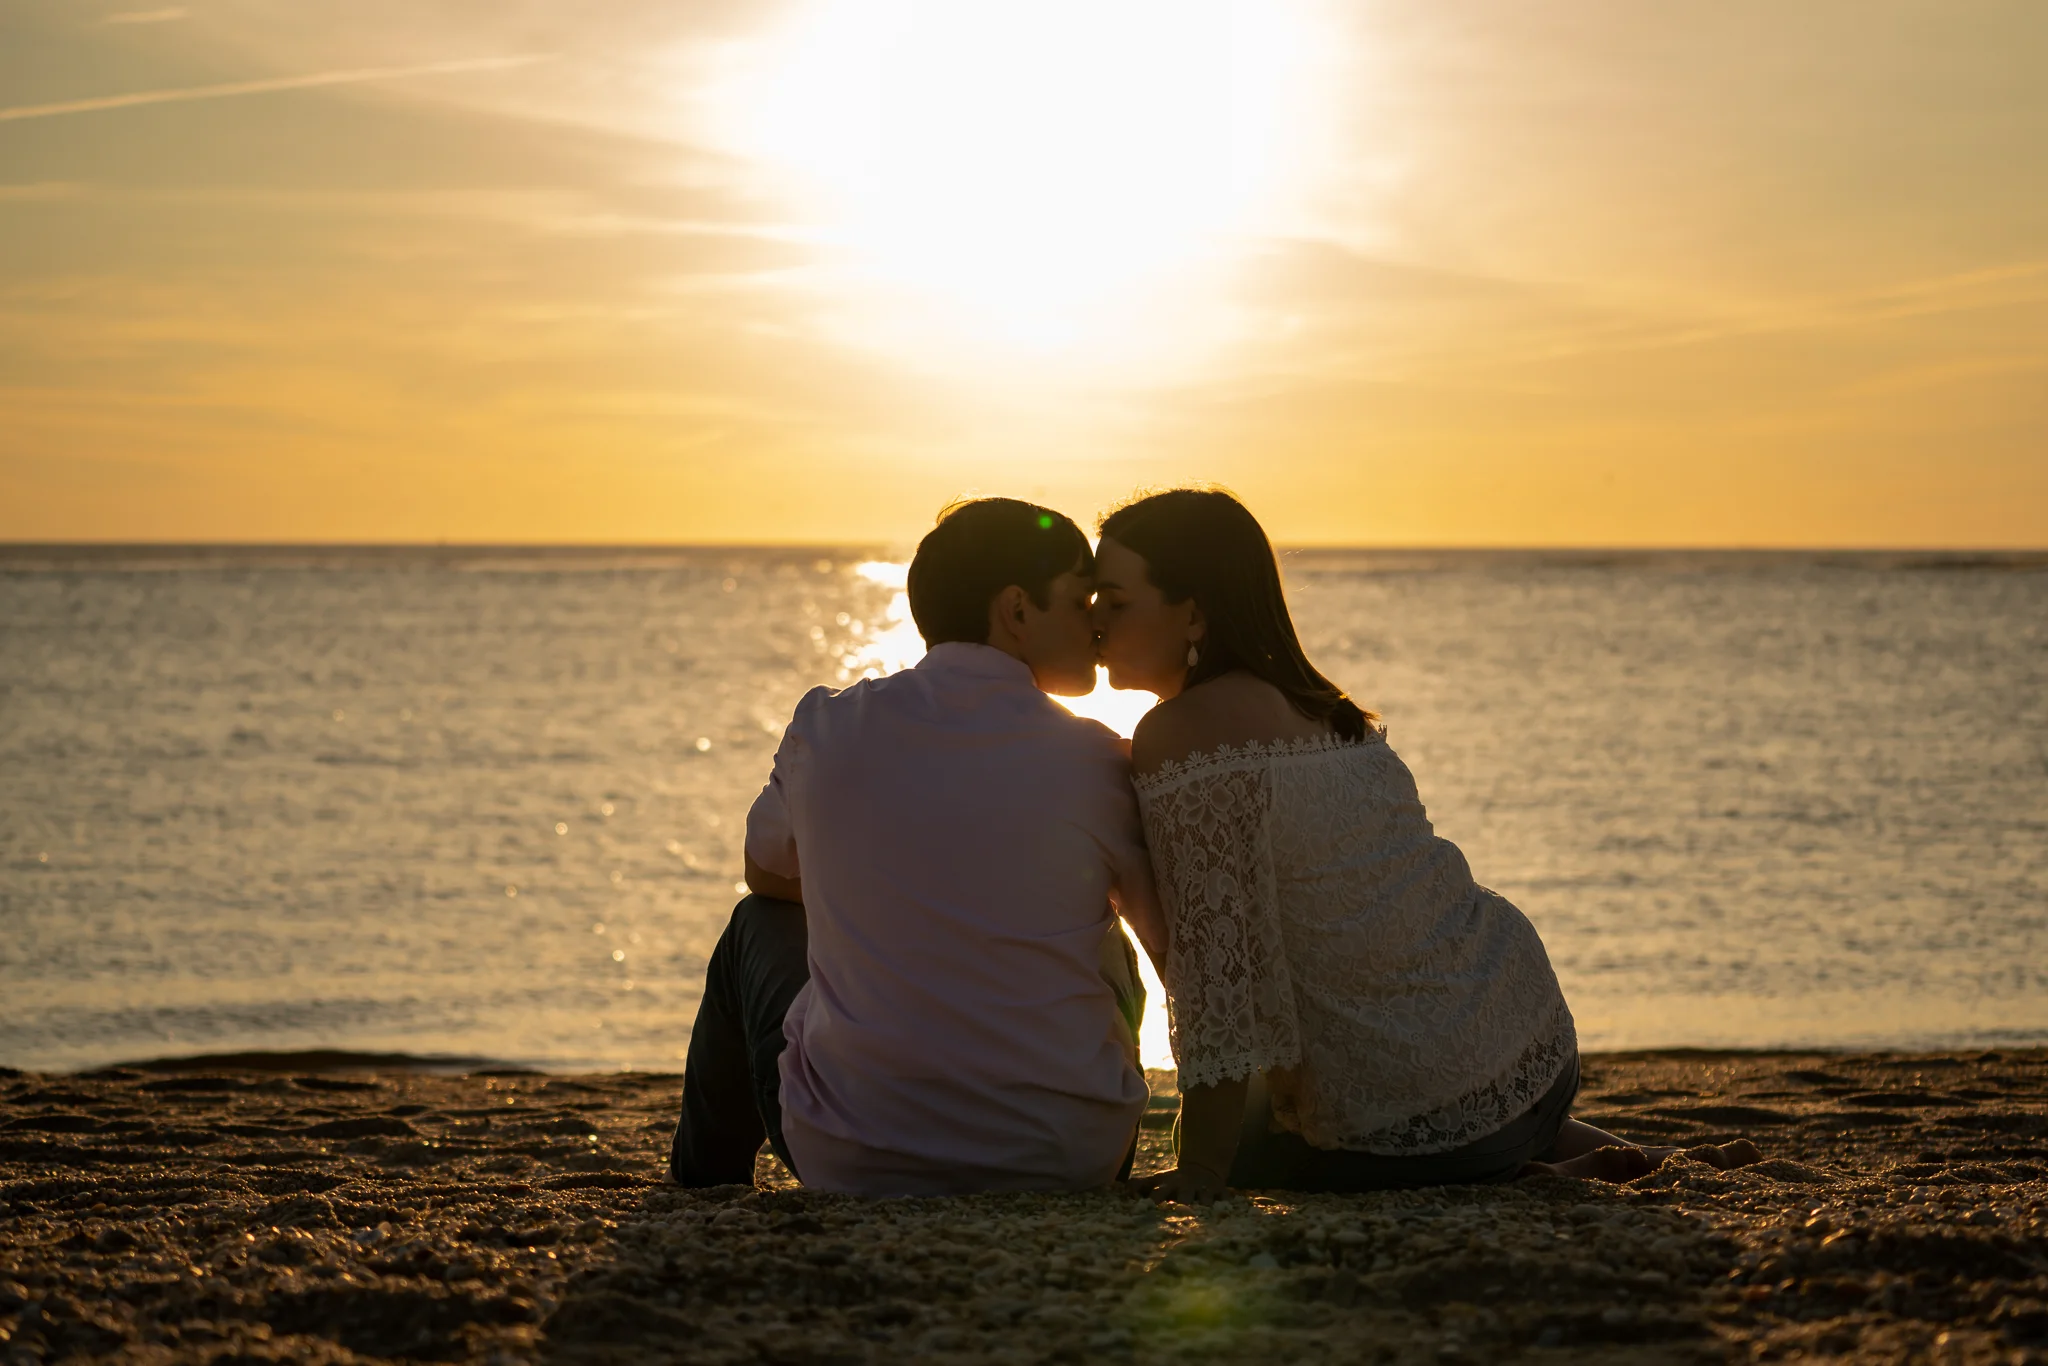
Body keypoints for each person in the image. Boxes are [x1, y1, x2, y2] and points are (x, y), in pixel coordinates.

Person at [1092, 488, 1759, 1201]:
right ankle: (1616, 1155)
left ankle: (1538, 1172)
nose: (1092, 618)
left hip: (1424, 1097)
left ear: (1193, 611)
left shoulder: (1183, 734)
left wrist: (1200, 1172)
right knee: (1421, 1101)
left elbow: (1221, 979)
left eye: (1114, 600)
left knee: (1267, 1161)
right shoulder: (1322, 708)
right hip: (1522, 1038)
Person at [669, 498, 1166, 1196]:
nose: (1096, 623)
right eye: (1081, 600)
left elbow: (767, 872)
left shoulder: (830, 727)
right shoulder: (1097, 760)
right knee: (1103, 928)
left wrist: (886, 889)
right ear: (1017, 610)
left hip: (855, 1156)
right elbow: (1176, 947)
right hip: (1067, 1159)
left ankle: (701, 1184)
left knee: (758, 924)